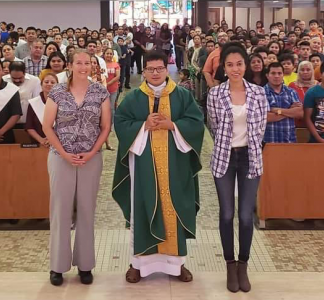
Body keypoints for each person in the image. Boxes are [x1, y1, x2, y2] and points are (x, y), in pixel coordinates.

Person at [113, 50, 204, 284]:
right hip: (143, 165)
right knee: (142, 207)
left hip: (175, 165)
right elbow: (121, 123)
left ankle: (176, 265)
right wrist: (143, 126)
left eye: (159, 69)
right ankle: (138, 264)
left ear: (167, 68)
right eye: (150, 69)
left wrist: (172, 124)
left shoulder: (182, 95)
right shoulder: (133, 98)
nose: (155, 73)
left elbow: (196, 122)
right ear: (143, 71)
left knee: (173, 208)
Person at [42, 49, 111, 286]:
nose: (83, 66)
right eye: (78, 62)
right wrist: (64, 153)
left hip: (91, 158)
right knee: (60, 210)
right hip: (61, 158)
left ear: (93, 66)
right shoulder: (58, 91)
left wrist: (92, 152)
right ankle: (57, 267)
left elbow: (105, 127)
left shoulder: (100, 92)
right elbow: (47, 126)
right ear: (69, 65)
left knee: (86, 210)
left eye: (87, 63)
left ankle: (85, 265)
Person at [207, 45, 268, 293]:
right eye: (230, 64)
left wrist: (247, 146)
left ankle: (243, 264)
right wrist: (227, 144)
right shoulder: (215, 94)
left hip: (250, 158)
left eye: (239, 64)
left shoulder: (258, 93)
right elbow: (212, 125)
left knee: (245, 216)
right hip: (224, 157)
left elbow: (261, 127)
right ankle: (229, 264)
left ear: (246, 65)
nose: (235, 69)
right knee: (226, 214)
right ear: (224, 66)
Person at [264, 62, 303, 143]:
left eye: (279, 73)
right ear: (267, 75)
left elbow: (300, 113)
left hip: (289, 140)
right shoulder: (261, 93)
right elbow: (266, 117)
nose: (277, 76)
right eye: (273, 73)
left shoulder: (291, 92)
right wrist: (290, 111)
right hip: (269, 141)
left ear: (283, 75)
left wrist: (276, 110)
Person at [3, 61, 41, 125]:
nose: (17, 80)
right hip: (7, 122)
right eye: (14, 78)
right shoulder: (3, 80)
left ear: (25, 73)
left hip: (28, 121)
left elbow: (37, 103)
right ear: (9, 73)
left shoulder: (35, 81)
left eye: (20, 78)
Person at [26, 72, 58, 146]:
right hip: (38, 143)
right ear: (41, 85)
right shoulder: (33, 103)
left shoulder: (63, 103)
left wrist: (52, 139)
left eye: (52, 82)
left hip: (59, 143)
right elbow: (29, 127)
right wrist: (41, 140)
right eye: (46, 82)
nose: (49, 84)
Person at [289, 61, 318, 127]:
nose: (305, 72)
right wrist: (291, 106)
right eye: (302, 70)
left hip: (315, 123)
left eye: (308, 70)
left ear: (312, 71)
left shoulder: (318, 86)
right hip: (297, 123)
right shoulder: (292, 85)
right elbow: (286, 105)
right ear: (298, 71)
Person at [104, 47, 120, 150]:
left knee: (111, 109)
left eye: (111, 54)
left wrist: (108, 83)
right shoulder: (101, 64)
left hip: (113, 89)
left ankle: (110, 126)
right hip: (102, 90)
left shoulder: (116, 65)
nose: (109, 55)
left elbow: (117, 76)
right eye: (107, 53)